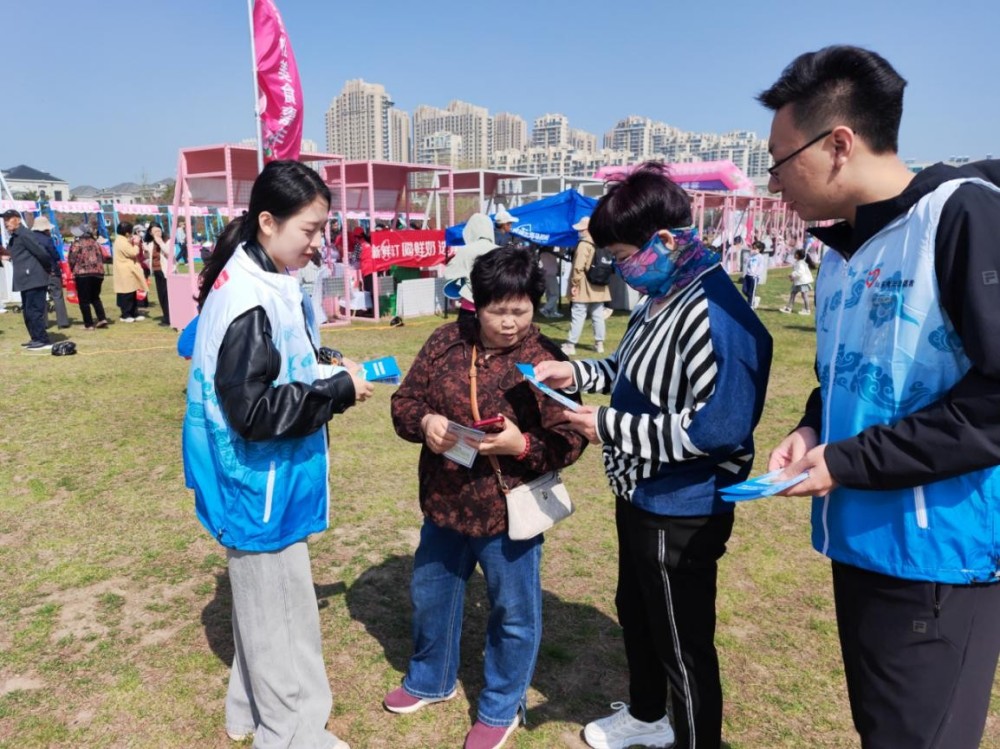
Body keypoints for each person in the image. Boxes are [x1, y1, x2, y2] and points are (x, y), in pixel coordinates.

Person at [759, 46, 1000, 749]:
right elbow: (851, 370)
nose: (773, 182)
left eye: (779, 160)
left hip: (937, 560)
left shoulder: (959, 216)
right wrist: (812, 427)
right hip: (861, 540)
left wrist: (849, 461)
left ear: (839, 144)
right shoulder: (846, 249)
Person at [533, 163, 773, 749]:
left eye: (622, 255)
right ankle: (646, 716)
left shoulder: (713, 310)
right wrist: (577, 372)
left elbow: (716, 431)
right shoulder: (662, 294)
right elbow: (630, 368)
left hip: (681, 505)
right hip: (639, 491)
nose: (620, 269)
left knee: (682, 644)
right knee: (637, 610)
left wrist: (606, 425)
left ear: (664, 240)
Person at [183, 160, 373, 749]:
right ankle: (291, 734)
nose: (318, 242)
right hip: (256, 481)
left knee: (265, 609)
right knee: (282, 615)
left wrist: (325, 362)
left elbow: (275, 362)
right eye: (309, 230)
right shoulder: (249, 295)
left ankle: (248, 712)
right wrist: (337, 391)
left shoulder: (261, 275)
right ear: (268, 222)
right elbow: (254, 411)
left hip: (262, 479)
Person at [387, 245, 587, 749]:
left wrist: (523, 446)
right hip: (445, 500)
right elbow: (404, 401)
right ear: (477, 304)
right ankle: (430, 679)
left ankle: (501, 706)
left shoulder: (547, 361)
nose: (509, 323)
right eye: (498, 310)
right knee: (432, 596)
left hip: (507, 511)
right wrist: (425, 422)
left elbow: (572, 437)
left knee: (513, 614)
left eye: (520, 310)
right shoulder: (446, 342)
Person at [2, 209, 53, 349]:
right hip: (25, 279)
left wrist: (47, 269)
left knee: (34, 311)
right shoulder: (15, 237)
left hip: (34, 278)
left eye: (8, 219)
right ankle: (35, 337)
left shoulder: (25, 234)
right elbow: (15, 254)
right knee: (28, 311)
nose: (5, 223)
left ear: (17, 220)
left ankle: (42, 339)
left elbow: (42, 253)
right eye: (4, 220)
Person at [561, 216, 611, 356]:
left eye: (581, 229)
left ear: (587, 230)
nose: (579, 232)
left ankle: (571, 345)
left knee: (578, 314)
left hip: (584, 285)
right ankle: (599, 344)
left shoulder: (584, 244)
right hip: (599, 285)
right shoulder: (601, 243)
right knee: (598, 315)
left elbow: (578, 267)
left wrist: (574, 284)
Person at [444, 213, 499, 319]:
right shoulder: (500, 250)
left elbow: (449, 274)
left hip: (470, 307)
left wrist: (462, 284)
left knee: (467, 330)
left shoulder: (465, 251)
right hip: (496, 309)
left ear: (470, 230)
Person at [31, 216, 70, 330]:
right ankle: (62, 321)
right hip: (52, 270)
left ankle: (43, 322)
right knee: (57, 295)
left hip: (37, 271)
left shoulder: (30, 239)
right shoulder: (47, 239)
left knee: (40, 297)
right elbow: (55, 255)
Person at [67, 225, 109, 329]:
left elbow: (71, 259)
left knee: (84, 300)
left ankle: (89, 324)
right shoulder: (96, 243)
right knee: (95, 297)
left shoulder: (77, 244)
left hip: (83, 274)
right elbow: (103, 257)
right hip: (98, 273)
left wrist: (72, 269)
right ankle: (102, 318)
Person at [112, 221, 148, 322]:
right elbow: (132, 252)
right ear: (127, 233)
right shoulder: (121, 241)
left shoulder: (122, 240)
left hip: (128, 269)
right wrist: (136, 244)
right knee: (126, 294)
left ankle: (133, 313)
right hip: (125, 270)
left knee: (132, 292)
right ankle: (126, 315)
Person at [143, 222, 171, 326]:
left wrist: (161, 243)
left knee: (167, 295)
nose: (158, 233)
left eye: (159, 230)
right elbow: (148, 258)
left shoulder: (167, 241)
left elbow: (170, 252)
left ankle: (169, 318)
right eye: (155, 231)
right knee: (161, 295)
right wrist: (145, 251)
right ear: (150, 233)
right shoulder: (151, 243)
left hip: (166, 272)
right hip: (157, 271)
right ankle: (166, 316)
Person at [780, 248, 813, 315]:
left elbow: (800, 272)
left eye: (795, 254)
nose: (794, 255)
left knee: (804, 295)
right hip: (799, 282)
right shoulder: (799, 262)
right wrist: (793, 277)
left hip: (802, 282)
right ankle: (789, 308)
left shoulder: (800, 263)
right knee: (793, 293)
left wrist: (792, 275)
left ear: (798, 255)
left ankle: (807, 310)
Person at [536, 245, 564, 319]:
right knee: (555, 294)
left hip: (545, 274)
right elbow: (561, 253)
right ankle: (545, 309)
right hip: (551, 275)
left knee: (550, 294)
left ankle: (553, 312)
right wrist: (562, 246)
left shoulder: (542, 253)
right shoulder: (552, 254)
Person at [740, 240, 763, 309]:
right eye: (753, 248)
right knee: (744, 290)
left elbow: (760, 267)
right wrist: (749, 255)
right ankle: (755, 299)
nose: (753, 250)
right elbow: (745, 262)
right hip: (748, 275)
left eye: (755, 248)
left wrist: (756, 274)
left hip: (754, 277)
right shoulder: (751, 255)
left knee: (751, 292)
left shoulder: (760, 257)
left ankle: (750, 305)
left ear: (759, 249)